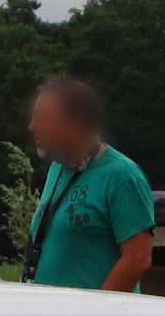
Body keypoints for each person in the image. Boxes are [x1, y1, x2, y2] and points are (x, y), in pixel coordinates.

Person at [21, 77, 155, 291]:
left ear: (77, 122)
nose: (33, 127)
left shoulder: (121, 174)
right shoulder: (57, 169)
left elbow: (138, 259)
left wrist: (95, 314)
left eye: (43, 118)